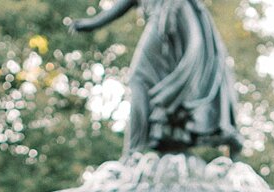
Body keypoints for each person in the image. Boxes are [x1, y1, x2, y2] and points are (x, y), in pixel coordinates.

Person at [70, 1, 242, 158]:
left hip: (172, 13)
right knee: (147, 79)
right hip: (169, 17)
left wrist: (92, 23)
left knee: (140, 78)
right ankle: (153, 141)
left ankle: (133, 153)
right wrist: (93, 23)